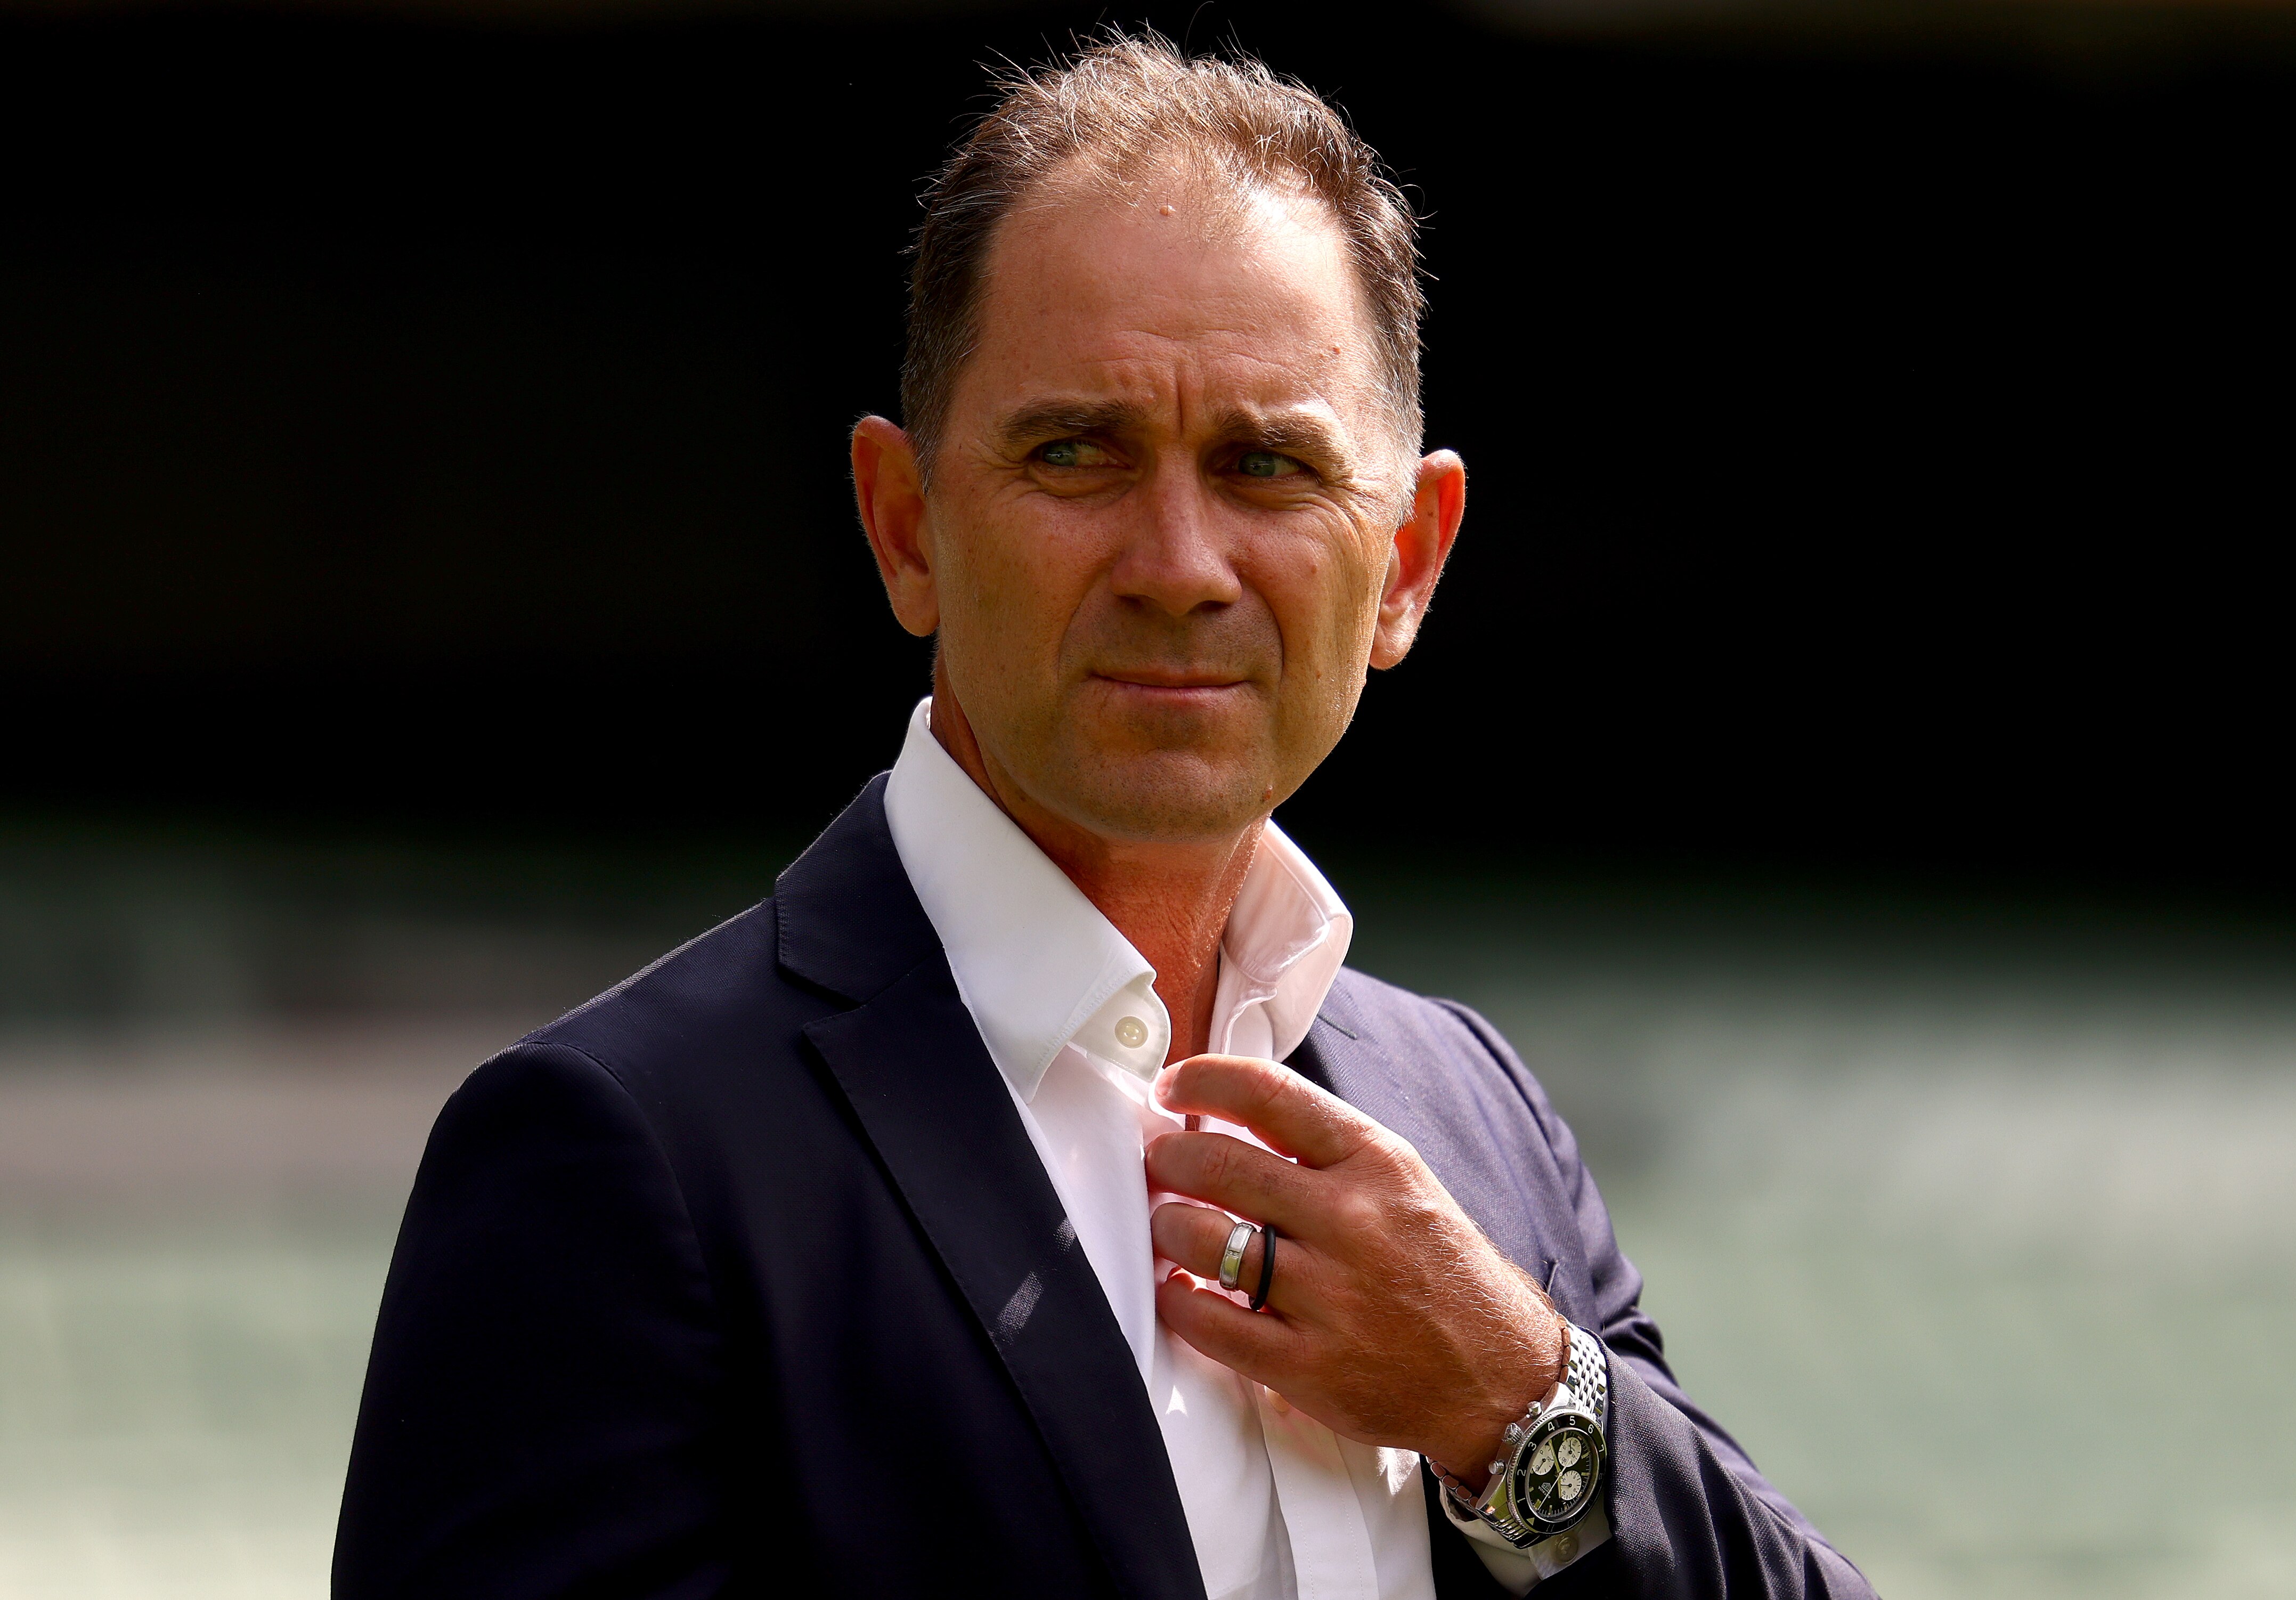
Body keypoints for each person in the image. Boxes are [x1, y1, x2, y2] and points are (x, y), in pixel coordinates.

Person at [333, 34, 1875, 1600]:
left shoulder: (1477, 1109)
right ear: (905, 526)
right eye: (1077, 453)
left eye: (1267, 464)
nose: (1180, 565)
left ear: (1407, 562)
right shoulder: (615, 1156)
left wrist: (1519, 1406)